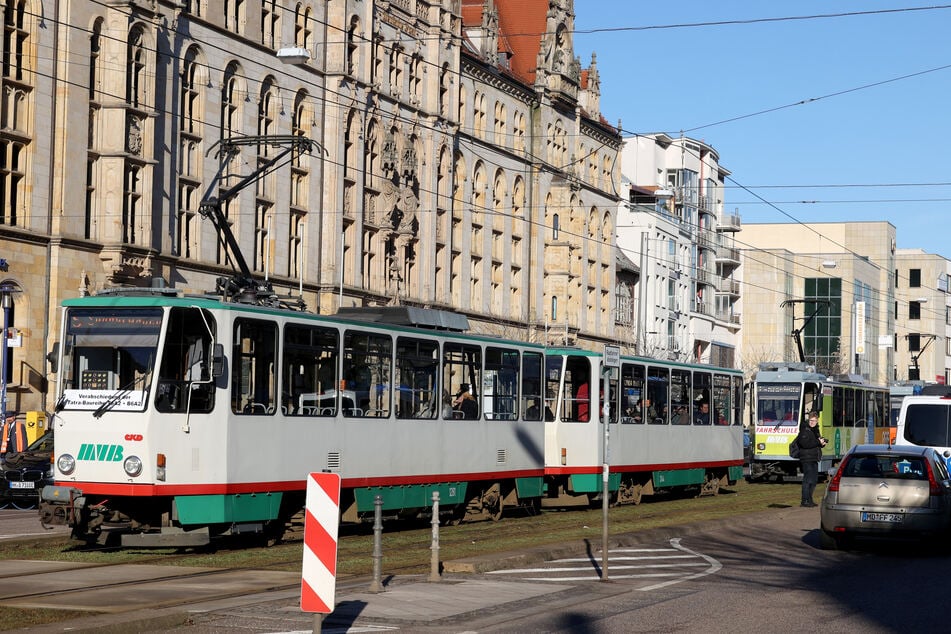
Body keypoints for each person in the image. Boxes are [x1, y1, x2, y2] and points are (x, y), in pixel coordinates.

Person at [795, 411, 828, 507]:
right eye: (811, 420)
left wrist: (822, 443)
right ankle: (804, 500)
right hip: (806, 458)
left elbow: (815, 443)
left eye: (814, 421)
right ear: (808, 420)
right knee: (808, 480)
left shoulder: (816, 430)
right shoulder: (804, 430)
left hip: (814, 458)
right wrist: (818, 442)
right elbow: (805, 444)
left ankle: (809, 499)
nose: (812, 422)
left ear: (817, 421)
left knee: (813, 480)